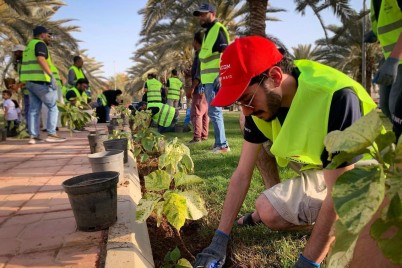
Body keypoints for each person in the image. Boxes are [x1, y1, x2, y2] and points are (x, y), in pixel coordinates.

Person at [192, 36, 377, 268]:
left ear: (276, 76)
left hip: (364, 172)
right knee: (269, 210)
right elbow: (241, 174)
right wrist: (220, 239)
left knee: (271, 210)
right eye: (238, 102)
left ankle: (358, 221)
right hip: (323, 167)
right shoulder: (258, 109)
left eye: (247, 98)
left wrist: (308, 262)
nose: (246, 109)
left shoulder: (336, 96)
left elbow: (342, 193)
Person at [193, 3, 230, 153]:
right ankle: (218, 144)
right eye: (199, 15)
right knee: (214, 112)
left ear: (212, 13)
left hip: (214, 79)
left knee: (215, 112)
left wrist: (222, 75)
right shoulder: (209, 32)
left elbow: (226, 52)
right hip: (208, 80)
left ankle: (222, 145)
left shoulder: (217, 29)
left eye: (203, 14)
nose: (201, 17)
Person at [20, 25, 66, 144]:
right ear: (42, 35)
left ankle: (33, 136)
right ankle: (51, 134)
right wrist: (51, 76)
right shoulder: (40, 44)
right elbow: (41, 59)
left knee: (34, 109)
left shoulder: (28, 47)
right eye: (48, 35)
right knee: (53, 107)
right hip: (41, 82)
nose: (49, 37)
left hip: (30, 82)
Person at [370, 0, 402, 119]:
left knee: (396, 108)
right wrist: (374, 33)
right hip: (389, 57)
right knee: (385, 106)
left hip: (396, 59)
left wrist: (394, 59)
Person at [187, 30, 209, 143]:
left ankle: (197, 137)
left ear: (196, 41)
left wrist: (192, 88)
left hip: (199, 88)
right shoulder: (205, 54)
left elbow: (198, 75)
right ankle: (204, 135)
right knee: (204, 113)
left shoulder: (199, 55)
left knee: (196, 113)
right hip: (206, 88)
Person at [11, 45, 29, 127]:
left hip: (30, 89)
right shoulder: (19, 63)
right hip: (25, 89)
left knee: (29, 110)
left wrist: (18, 86)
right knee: (27, 109)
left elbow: (28, 77)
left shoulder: (26, 62)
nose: (15, 54)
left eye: (16, 52)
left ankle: (30, 129)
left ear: (21, 52)